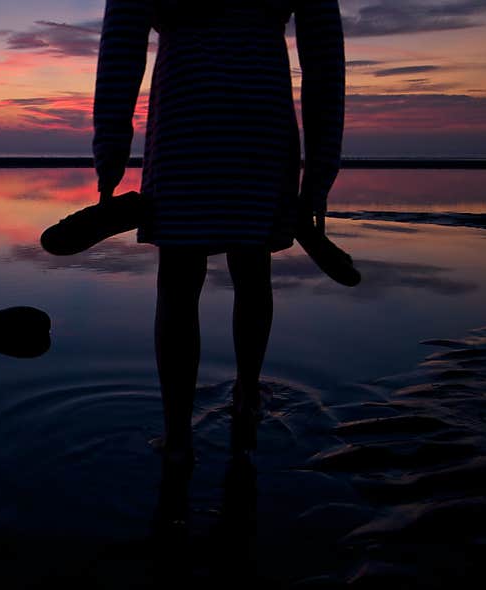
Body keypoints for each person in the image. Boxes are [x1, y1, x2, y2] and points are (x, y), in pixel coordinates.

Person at [92, 0, 345, 478]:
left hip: (186, 123)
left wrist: (110, 154)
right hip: (260, 125)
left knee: (178, 284)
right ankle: (247, 399)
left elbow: (121, 47)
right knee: (252, 271)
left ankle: (178, 438)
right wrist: (320, 169)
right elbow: (324, 56)